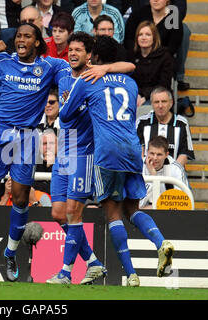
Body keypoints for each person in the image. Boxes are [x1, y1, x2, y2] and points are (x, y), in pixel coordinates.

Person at [0, 22, 136, 282]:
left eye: (27, 36)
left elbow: (86, 70)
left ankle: (10, 253)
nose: (21, 40)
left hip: (29, 135)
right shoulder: (1, 60)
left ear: (38, 43)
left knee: (20, 198)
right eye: (18, 36)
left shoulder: (52, 66)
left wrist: (103, 66)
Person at [61, 35, 174, 286]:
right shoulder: (130, 83)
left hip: (107, 151)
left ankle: (131, 275)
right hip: (133, 149)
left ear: (95, 57)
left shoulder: (88, 79)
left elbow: (66, 115)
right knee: (133, 209)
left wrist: (78, 99)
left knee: (112, 214)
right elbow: (129, 74)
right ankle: (161, 242)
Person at [46, 32, 107, 285]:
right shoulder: (61, 72)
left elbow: (128, 68)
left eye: (78, 50)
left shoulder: (95, 79)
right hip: (64, 152)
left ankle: (66, 273)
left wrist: (106, 68)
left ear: (89, 55)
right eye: (70, 49)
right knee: (58, 214)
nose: (72, 54)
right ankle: (93, 263)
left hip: (85, 153)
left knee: (73, 212)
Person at [136, 86, 195, 167]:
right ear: (152, 104)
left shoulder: (181, 123)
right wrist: (148, 171)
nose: (160, 105)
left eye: (164, 101)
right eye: (156, 102)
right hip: (147, 174)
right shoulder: (142, 122)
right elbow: (139, 151)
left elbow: (185, 153)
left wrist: (172, 172)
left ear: (171, 103)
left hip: (173, 176)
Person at [130, 20, 173, 109]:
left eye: (148, 35)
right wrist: (137, 94)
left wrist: (145, 96)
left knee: (146, 108)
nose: (143, 37)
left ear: (154, 38)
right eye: (140, 34)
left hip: (157, 96)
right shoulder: (131, 56)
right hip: (135, 95)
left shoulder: (164, 56)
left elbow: (164, 84)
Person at [139, 135, 190, 209]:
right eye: (152, 153)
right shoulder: (137, 167)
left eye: (159, 154)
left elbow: (182, 205)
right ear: (147, 152)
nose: (155, 158)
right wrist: (152, 177)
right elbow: (136, 205)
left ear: (166, 154)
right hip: (141, 213)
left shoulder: (176, 169)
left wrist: (155, 207)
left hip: (168, 214)